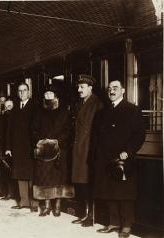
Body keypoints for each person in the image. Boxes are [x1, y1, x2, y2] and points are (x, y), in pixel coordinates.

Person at [92, 80, 145, 238]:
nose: (111, 91)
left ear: (123, 90)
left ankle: (126, 226)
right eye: (109, 88)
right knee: (109, 191)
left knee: (125, 194)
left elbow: (139, 134)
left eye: (115, 88)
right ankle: (114, 223)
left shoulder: (132, 110)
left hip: (123, 159)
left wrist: (128, 151)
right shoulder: (102, 112)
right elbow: (96, 137)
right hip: (105, 159)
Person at [32, 87, 71, 217]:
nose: (48, 95)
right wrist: (40, 141)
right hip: (43, 150)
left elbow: (68, 130)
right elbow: (33, 129)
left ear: (56, 96)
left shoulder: (64, 111)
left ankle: (58, 206)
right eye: (46, 93)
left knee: (59, 179)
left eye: (51, 93)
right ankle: (47, 206)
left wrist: (57, 140)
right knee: (45, 179)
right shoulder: (38, 111)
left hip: (59, 149)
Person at [71, 75, 103, 226]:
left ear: (90, 88)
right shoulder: (80, 103)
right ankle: (83, 213)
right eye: (78, 87)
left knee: (89, 183)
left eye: (82, 87)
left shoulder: (97, 104)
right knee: (81, 183)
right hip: (79, 149)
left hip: (88, 149)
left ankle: (91, 217)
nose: (79, 90)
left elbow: (98, 131)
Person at [5, 83, 38, 212]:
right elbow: (9, 130)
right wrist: (8, 147)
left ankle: (34, 203)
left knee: (31, 175)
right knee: (19, 174)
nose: (22, 93)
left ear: (29, 92)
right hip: (17, 147)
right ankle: (23, 201)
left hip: (30, 146)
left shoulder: (35, 107)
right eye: (20, 91)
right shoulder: (14, 109)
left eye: (24, 90)